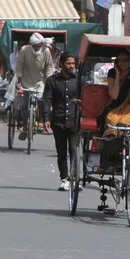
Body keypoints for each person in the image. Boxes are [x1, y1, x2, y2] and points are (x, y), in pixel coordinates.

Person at [43, 52, 82, 191]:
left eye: (73, 63)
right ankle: (64, 179)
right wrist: (46, 118)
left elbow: (86, 98)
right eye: (68, 63)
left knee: (74, 150)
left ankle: (75, 178)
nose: (71, 66)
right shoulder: (52, 81)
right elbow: (47, 100)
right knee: (61, 152)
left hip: (74, 121)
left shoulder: (78, 80)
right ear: (61, 64)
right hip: (58, 121)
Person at [97, 48, 130, 136]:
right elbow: (114, 96)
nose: (122, 63)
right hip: (115, 107)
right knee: (113, 121)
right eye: (119, 60)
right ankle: (112, 143)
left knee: (128, 122)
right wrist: (117, 75)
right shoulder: (112, 72)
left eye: (126, 60)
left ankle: (128, 147)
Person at [16, 33, 54, 141]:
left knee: (42, 101)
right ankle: (24, 128)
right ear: (31, 44)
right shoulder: (24, 50)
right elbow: (19, 65)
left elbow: (49, 67)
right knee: (25, 106)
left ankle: (41, 120)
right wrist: (19, 80)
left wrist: (49, 81)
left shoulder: (46, 51)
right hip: (26, 80)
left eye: (39, 45)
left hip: (40, 81)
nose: (37, 47)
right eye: (35, 45)